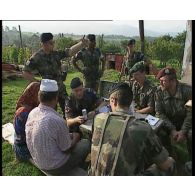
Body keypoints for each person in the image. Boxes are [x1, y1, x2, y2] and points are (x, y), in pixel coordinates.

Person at [90, 83, 176, 176]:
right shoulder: (143, 128)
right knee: (170, 163)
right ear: (130, 102)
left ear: (113, 101)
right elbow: (164, 165)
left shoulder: (98, 119)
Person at [25, 79, 90, 176]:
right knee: (86, 143)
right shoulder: (56, 120)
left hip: (38, 160)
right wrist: (76, 137)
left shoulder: (32, 113)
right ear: (56, 98)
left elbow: (50, 135)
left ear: (40, 97)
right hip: (55, 167)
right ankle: (76, 167)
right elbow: (67, 149)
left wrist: (69, 135)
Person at [23, 32, 89, 118]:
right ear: (43, 44)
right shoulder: (37, 57)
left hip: (60, 88)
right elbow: (25, 72)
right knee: (50, 114)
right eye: (51, 43)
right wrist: (38, 82)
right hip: (49, 91)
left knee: (68, 108)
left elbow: (69, 52)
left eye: (53, 42)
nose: (53, 45)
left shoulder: (55, 54)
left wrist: (81, 44)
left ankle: (69, 127)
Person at [155, 67, 192, 156]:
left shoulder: (188, 91)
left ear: (173, 81)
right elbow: (159, 113)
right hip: (169, 124)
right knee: (157, 132)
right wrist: (172, 130)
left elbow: (190, 114)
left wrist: (183, 131)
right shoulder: (159, 92)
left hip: (185, 124)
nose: (160, 84)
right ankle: (168, 157)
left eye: (163, 81)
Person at [13, 81, 40, 161]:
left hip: (24, 142)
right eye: (38, 94)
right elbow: (33, 136)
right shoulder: (24, 113)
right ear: (33, 94)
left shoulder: (30, 106)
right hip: (23, 149)